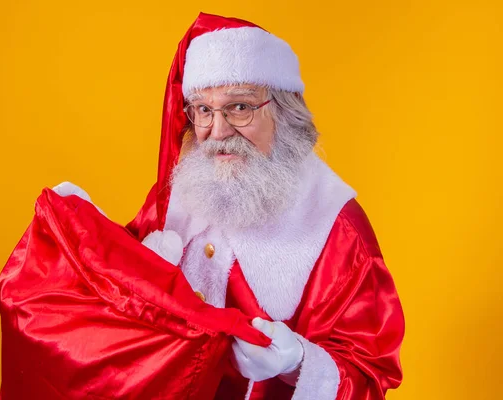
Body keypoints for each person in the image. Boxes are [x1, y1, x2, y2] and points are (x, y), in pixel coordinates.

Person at [55, 12, 404, 400]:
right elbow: (133, 297)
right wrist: (86, 236)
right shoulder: (178, 193)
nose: (218, 131)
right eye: (203, 110)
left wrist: (298, 363)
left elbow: (369, 372)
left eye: (239, 107)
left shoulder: (337, 226)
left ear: (284, 113)